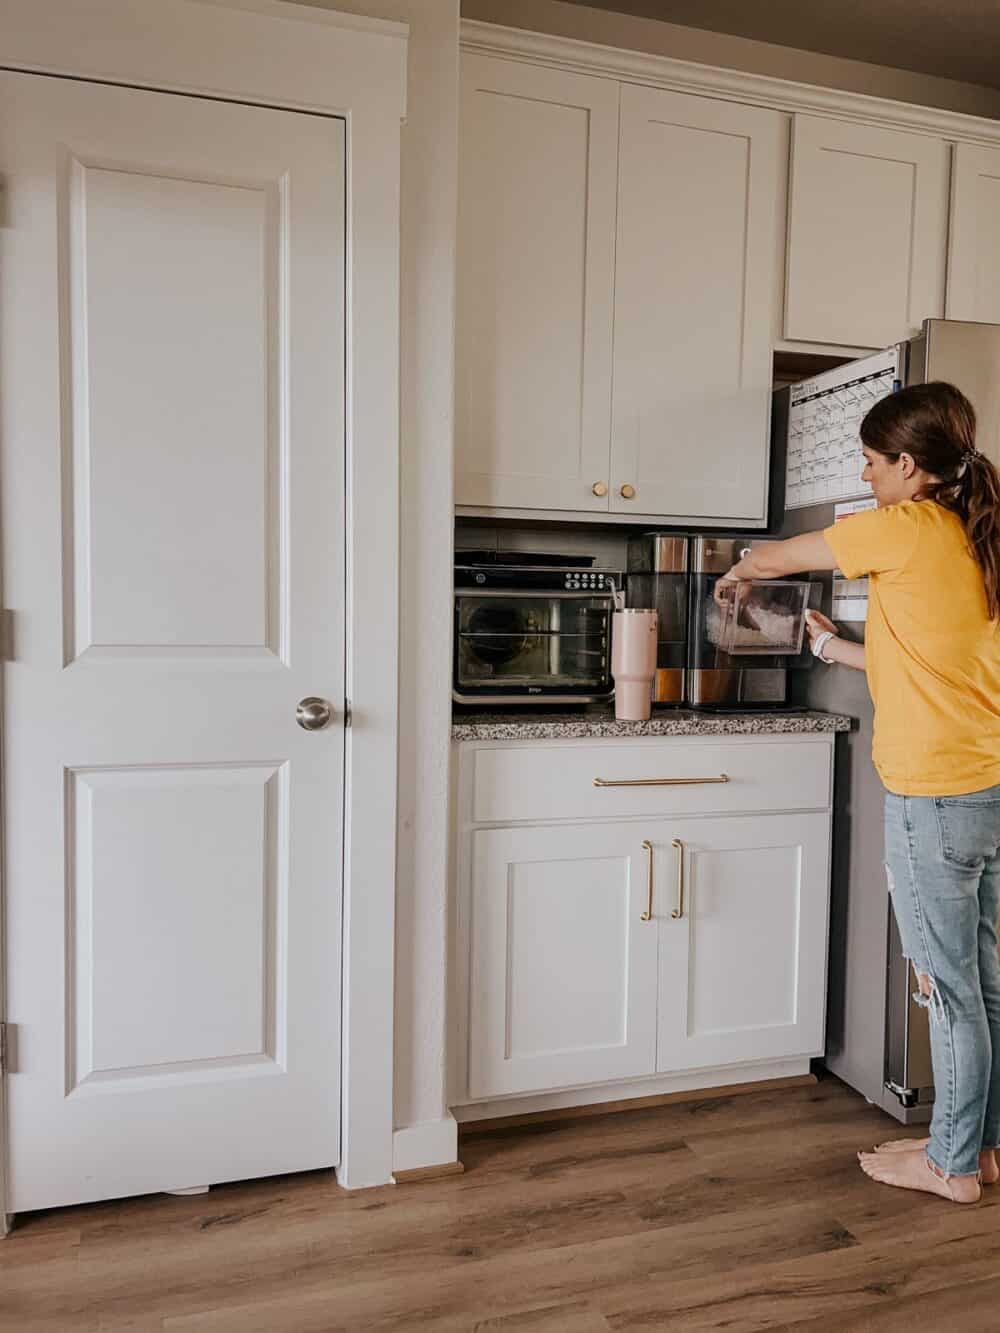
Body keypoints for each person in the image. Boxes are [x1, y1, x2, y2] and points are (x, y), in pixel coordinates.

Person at [718, 381, 1000, 1205]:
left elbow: (775, 556)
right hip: (986, 782)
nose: (869, 477)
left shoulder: (906, 526)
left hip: (933, 791)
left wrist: (739, 572)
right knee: (980, 983)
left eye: (873, 463)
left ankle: (947, 1164)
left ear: (910, 465)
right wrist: (839, 648)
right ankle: (982, 1149)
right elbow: (941, 656)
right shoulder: (976, 533)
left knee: (947, 991)